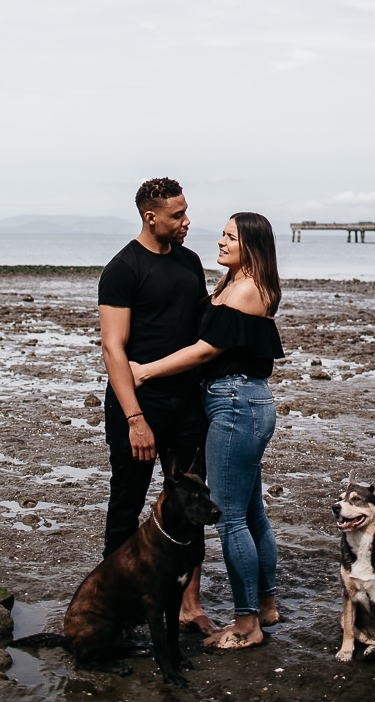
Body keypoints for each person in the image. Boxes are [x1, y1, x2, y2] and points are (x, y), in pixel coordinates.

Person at [130, 211, 284, 650]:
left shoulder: (248, 290)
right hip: (243, 402)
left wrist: (145, 373)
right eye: (222, 234)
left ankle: (246, 623)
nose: (220, 242)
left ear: (250, 246)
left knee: (231, 518)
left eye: (230, 237)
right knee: (252, 513)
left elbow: (204, 352)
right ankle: (267, 603)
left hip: (236, 405)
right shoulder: (233, 284)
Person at [98, 176, 214, 634]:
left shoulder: (190, 262)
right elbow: (113, 349)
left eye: (185, 212)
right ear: (151, 217)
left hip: (187, 407)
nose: (186, 221)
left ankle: (189, 603)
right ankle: (116, 604)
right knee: (126, 506)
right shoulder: (123, 269)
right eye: (177, 215)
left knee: (193, 506)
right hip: (138, 408)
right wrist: (135, 419)